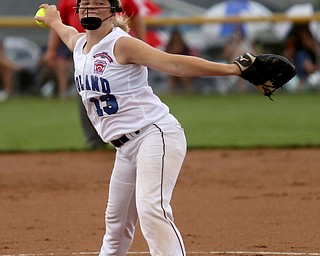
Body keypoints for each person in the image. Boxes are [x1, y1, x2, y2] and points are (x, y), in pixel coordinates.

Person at [35, 1, 243, 255]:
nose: (90, 8)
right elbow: (64, 31)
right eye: (85, 3)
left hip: (154, 134)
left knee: (151, 209)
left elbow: (174, 64)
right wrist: (53, 20)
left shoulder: (121, 44)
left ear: (113, 10)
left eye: (98, 3)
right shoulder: (79, 45)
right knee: (116, 224)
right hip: (125, 149)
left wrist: (233, 69)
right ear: (78, 11)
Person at [283, 24, 320, 92]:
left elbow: (311, 69)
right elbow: (310, 69)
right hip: (298, 80)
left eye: (306, 37)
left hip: (309, 79)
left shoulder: (313, 47)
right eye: (302, 38)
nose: (304, 40)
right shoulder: (299, 52)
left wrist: (312, 46)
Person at [165, 27, 193, 93]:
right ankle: (172, 91)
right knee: (172, 74)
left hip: (184, 65)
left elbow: (188, 58)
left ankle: (188, 90)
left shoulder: (184, 47)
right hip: (172, 65)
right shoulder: (169, 46)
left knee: (184, 75)